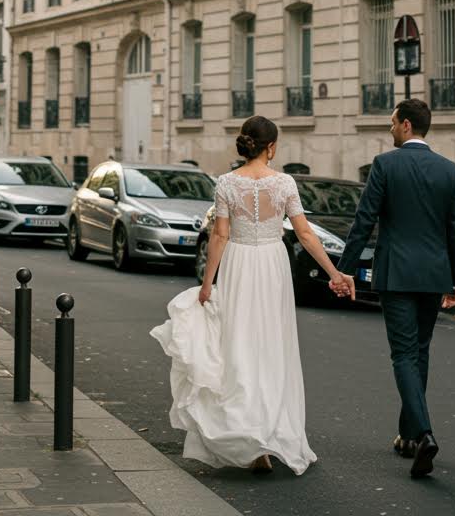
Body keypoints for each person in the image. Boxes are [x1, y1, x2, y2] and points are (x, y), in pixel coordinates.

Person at [150, 115, 354, 475]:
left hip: (240, 265)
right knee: (273, 348)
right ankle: (271, 435)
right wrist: (334, 273)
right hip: (272, 265)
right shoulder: (285, 183)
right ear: (272, 147)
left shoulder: (227, 183)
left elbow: (220, 236)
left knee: (239, 346)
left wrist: (207, 282)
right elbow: (305, 234)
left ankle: (248, 437)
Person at [333, 98, 455, 480]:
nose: (390, 129)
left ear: (406, 125)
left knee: (404, 355)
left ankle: (423, 434)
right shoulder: (450, 172)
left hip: (395, 274)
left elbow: (364, 219)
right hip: (434, 274)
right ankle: (408, 436)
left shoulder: (385, 165)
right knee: (419, 352)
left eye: (392, 123)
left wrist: (344, 270)